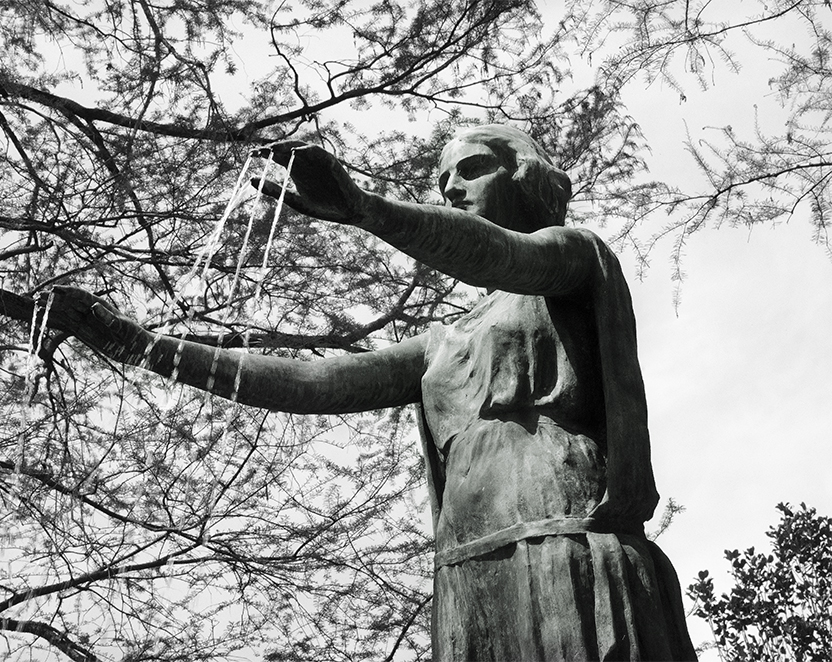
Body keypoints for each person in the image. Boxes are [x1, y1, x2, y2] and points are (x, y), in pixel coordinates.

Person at [54, 125, 698, 661]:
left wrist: (367, 209)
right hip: (465, 558)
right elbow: (315, 382)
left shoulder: (571, 259)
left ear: (522, 176)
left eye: (472, 169)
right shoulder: (442, 342)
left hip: (558, 529)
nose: (452, 188)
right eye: (443, 180)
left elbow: (498, 255)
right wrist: (135, 343)